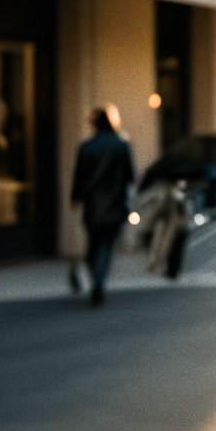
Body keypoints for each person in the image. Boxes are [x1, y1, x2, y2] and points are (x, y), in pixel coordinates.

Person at [69, 104, 135, 307]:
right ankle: (98, 281)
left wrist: (76, 198)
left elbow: (78, 177)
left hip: (93, 205)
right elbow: (130, 177)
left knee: (94, 244)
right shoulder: (121, 146)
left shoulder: (87, 148)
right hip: (114, 203)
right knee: (105, 246)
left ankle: (96, 279)